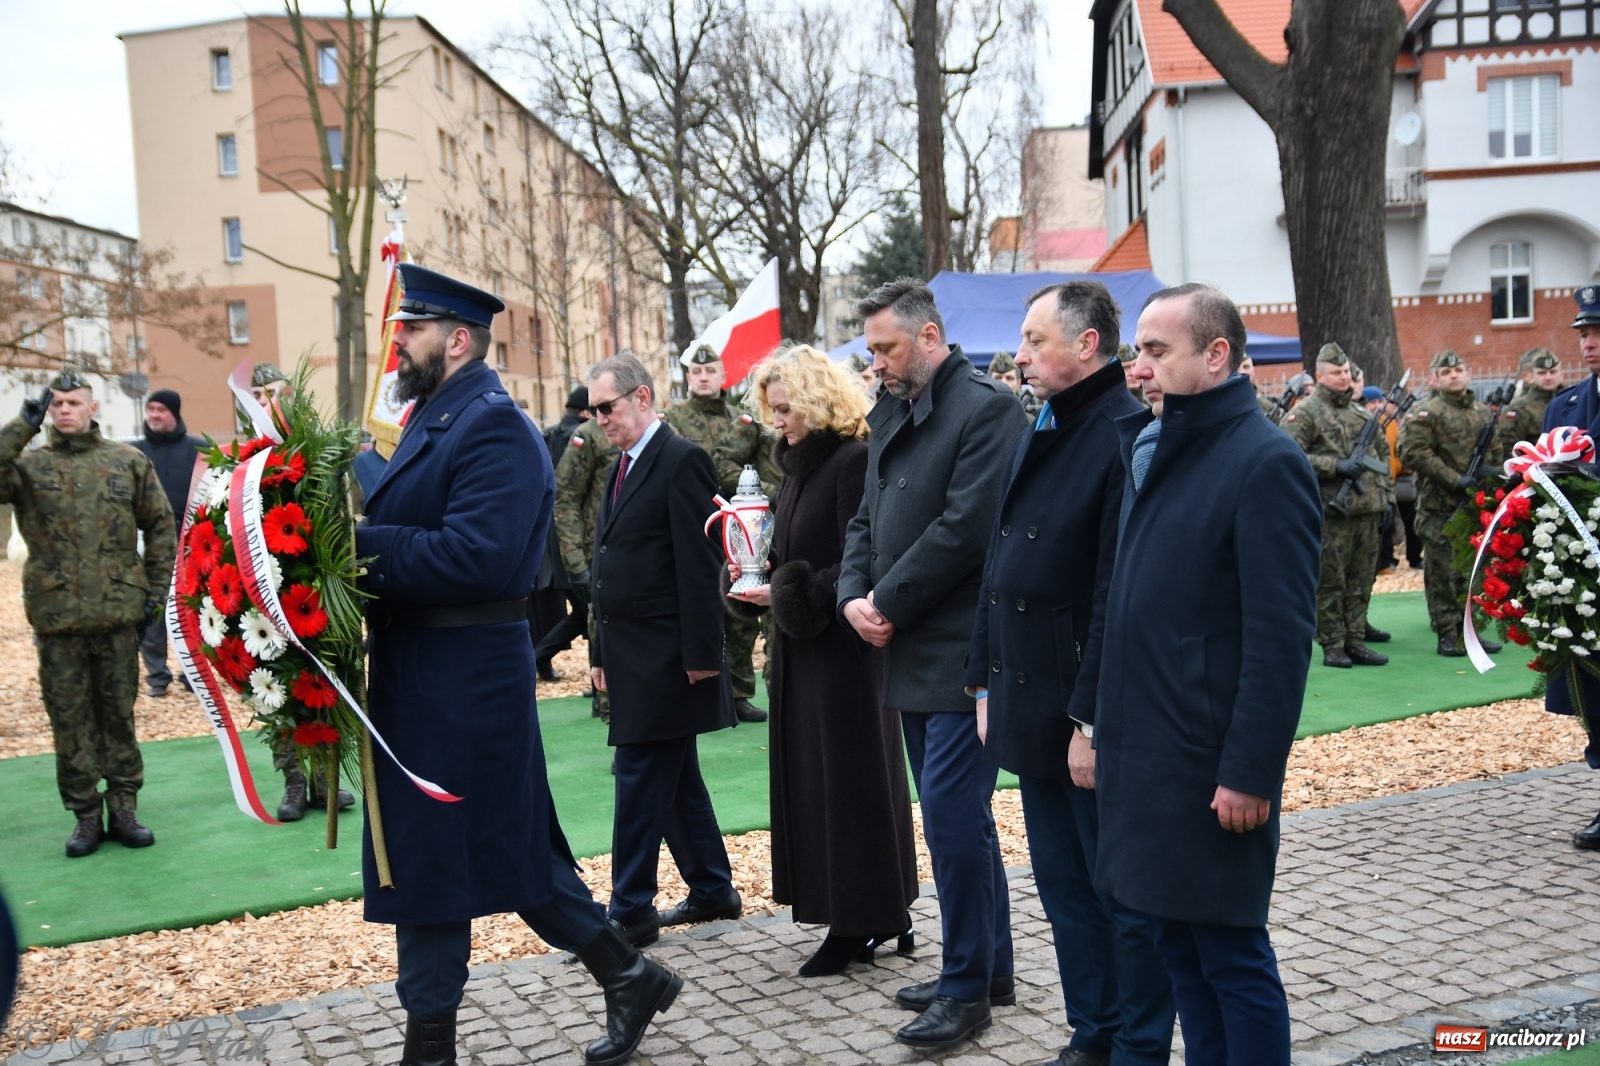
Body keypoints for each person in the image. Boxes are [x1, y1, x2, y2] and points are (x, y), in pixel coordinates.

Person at [355, 264, 681, 1066]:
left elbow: (479, 557)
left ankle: (429, 1047)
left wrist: (352, 547)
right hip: (428, 671)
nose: (397, 344)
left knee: (438, 856)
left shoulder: (491, 423)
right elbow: (421, 516)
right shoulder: (438, 413)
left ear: (457, 340)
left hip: (462, 679)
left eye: (412, 331)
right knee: (508, 850)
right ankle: (627, 974)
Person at [1095, 283, 1321, 1066]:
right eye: (1137, 352)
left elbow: (1281, 637)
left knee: (1230, 955)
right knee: (1177, 948)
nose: (1139, 368)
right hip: (1147, 760)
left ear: (1216, 354)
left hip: (1210, 766)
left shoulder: (1265, 462)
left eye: (1157, 352)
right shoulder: (1158, 447)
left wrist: (1251, 772)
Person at [971, 281, 1175, 1066]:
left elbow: (1111, 594)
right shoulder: (1045, 424)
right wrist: (981, 682)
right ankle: (1091, 1033)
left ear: (1087, 345)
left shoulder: (1124, 432)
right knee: (1062, 893)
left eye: (1034, 339)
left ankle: (1135, 1043)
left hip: (1083, 713)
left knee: (1118, 896)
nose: (1019, 354)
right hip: (1027, 698)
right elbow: (999, 562)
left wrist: (1090, 723)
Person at [839, 277, 1027, 1052]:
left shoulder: (987, 409)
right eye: (871, 349)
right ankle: (991, 968)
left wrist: (886, 599)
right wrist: (854, 594)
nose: (875, 362)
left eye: (885, 347)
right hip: (908, 642)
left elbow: (966, 529)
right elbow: (865, 516)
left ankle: (965, 990)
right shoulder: (892, 409)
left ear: (928, 335)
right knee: (958, 822)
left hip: (963, 646)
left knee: (952, 818)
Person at [724, 345, 919, 976]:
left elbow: (863, 562)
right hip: (806, 652)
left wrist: (786, 588)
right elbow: (802, 555)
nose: (776, 420)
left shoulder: (850, 460)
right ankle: (861, 913)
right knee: (818, 783)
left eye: (785, 409)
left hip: (844, 658)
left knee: (851, 785)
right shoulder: (800, 468)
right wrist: (767, 578)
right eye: (771, 410)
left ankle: (866, 918)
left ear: (814, 401)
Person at [587, 352, 742, 948]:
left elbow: (701, 567)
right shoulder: (621, 465)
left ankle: (630, 909)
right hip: (630, 653)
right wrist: (599, 651)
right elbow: (607, 571)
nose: (600, 418)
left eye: (609, 406)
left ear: (643, 398)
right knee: (674, 782)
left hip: (668, 658)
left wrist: (703, 655)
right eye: (594, 409)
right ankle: (712, 889)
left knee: (639, 776)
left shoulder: (682, 460)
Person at [2, 366, 176, 857]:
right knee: (69, 718)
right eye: (56, 404)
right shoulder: (28, 467)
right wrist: (21, 426)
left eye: (73, 402)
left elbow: (161, 527)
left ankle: (123, 808)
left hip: (119, 613)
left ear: (92, 407)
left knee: (118, 715)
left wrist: (154, 593)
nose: (64, 410)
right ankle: (84, 816)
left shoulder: (126, 461)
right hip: (58, 619)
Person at [663, 344, 779, 724]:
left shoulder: (739, 415)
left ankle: (740, 691)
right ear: (687, 377)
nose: (703, 377)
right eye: (696, 372)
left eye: (710, 371)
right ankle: (709, 690)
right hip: (698, 520)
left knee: (743, 610)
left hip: (743, 526)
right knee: (709, 608)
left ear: (721, 375)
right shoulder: (674, 417)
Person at [1282, 343, 1393, 669]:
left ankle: (1355, 639)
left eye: (1346, 372)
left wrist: (1384, 499)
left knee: (1361, 581)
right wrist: (1335, 466)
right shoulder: (1305, 412)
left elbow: (1382, 457)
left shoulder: (1360, 412)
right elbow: (1289, 454)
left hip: (1365, 511)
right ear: (1319, 376)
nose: (1343, 377)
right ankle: (1332, 644)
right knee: (1331, 582)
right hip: (1331, 512)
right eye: (1336, 372)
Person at [1540, 286, 1600, 849]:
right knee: (1592, 689)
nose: (1589, 343)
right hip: (1583, 582)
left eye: (1597, 332)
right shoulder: (1564, 407)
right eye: (1584, 333)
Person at [1397, 350, 1505, 657]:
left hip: (1475, 506)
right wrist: (1455, 480)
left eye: (1458, 370)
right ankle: (1447, 632)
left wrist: (1489, 485)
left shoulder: (1482, 412)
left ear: (1468, 374)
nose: (1453, 375)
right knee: (1443, 572)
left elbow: (1494, 453)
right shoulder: (1425, 412)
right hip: (1438, 507)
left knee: (1472, 572)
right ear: (1434, 379)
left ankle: (1470, 631)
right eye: (1446, 372)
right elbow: (1413, 453)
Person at [130, 388, 203, 698]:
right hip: (147, 541)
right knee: (153, 609)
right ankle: (157, 675)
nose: (154, 415)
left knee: (189, 609)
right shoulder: (133, 453)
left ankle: (193, 672)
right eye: (151, 409)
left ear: (175, 413)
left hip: (190, 541)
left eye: (161, 409)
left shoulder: (197, 450)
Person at [553, 409, 621, 719]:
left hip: (649, 560)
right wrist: (576, 562)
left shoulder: (659, 432)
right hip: (601, 557)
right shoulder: (591, 434)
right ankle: (611, 711)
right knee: (604, 634)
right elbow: (565, 497)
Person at [531, 386, 592, 681]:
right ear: (585, 411)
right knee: (589, 612)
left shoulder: (547, 436)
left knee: (584, 612)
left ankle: (538, 660)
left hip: (550, 537)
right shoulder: (585, 437)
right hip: (578, 539)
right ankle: (535, 659)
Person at [1497, 348, 1560, 454]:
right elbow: (1507, 448)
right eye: (1542, 373)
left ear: (1561, 375)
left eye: (1553, 372)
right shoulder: (1520, 407)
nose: (1548, 377)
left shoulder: (1571, 401)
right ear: (1531, 376)